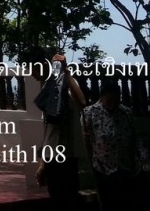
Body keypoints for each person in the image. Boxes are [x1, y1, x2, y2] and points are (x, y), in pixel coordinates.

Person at [82, 80, 150, 210]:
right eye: (109, 100)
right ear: (101, 98)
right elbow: (87, 140)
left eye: (116, 100)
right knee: (109, 204)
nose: (113, 104)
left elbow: (136, 137)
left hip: (127, 166)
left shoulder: (126, 112)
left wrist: (143, 156)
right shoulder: (89, 113)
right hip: (103, 168)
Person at [35, 52, 86, 210]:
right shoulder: (47, 88)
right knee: (56, 196)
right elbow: (47, 129)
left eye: (34, 70)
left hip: (68, 152)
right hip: (51, 154)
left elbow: (82, 102)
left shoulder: (67, 83)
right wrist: (43, 162)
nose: (33, 75)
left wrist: (66, 72)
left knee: (70, 196)